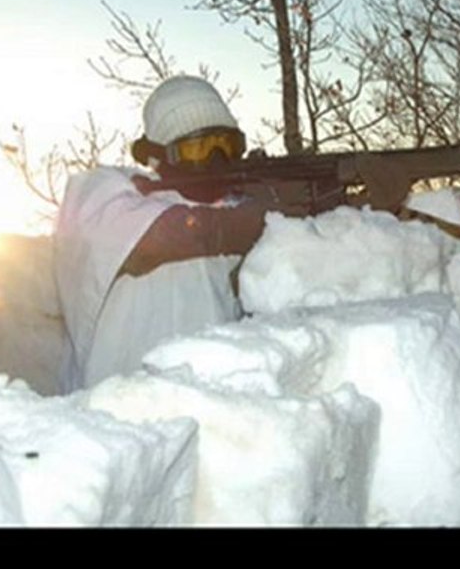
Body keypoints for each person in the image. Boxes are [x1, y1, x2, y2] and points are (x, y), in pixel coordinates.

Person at [53, 75, 305, 393]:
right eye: (198, 148)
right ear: (158, 154)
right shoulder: (105, 190)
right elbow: (158, 240)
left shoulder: (235, 206)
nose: (217, 161)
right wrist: (266, 218)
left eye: (227, 146)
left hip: (216, 410)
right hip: (113, 417)